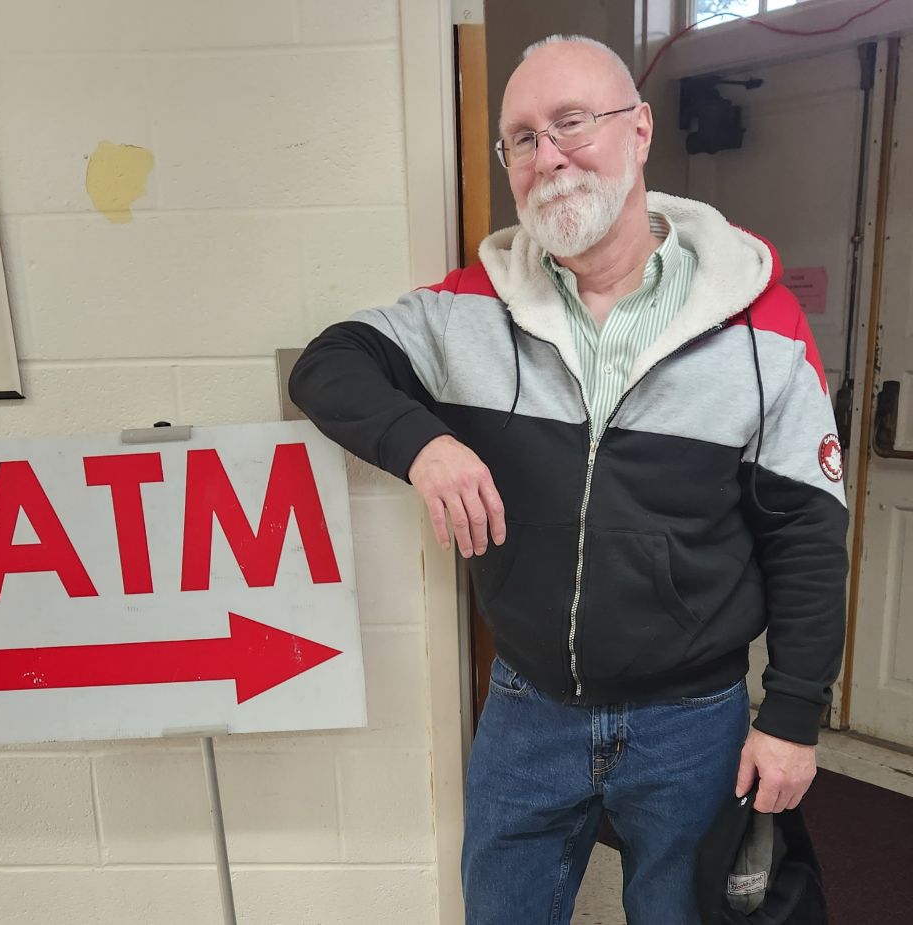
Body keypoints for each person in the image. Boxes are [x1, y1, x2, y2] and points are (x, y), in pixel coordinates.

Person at [289, 33, 848, 925]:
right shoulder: (472, 305)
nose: (546, 156)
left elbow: (808, 535)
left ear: (639, 132)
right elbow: (328, 364)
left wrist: (792, 715)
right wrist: (424, 445)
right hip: (527, 708)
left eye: (572, 123)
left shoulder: (763, 327)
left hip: (692, 719)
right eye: (521, 137)